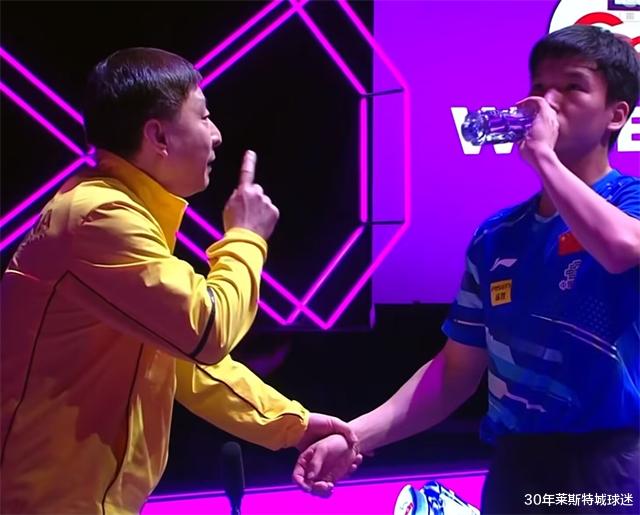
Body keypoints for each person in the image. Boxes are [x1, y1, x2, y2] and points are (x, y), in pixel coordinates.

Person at [293, 25, 640, 514]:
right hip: (515, 470)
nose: (546, 102)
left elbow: (622, 249)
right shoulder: (496, 236)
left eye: (572, 87)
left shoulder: (630, 204)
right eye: (539, 86)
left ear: (616, 115)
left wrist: (543, 157)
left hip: (613, 468)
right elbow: (452, 375)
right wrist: (354, 436)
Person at [0, 47, 358, 514]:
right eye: (204, 116)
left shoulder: (119, 214)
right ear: (158, 136)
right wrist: (246, 237)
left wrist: (293, 425)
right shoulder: (98, 217)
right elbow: (207, 331)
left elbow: (185, 364)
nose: (217, 134)